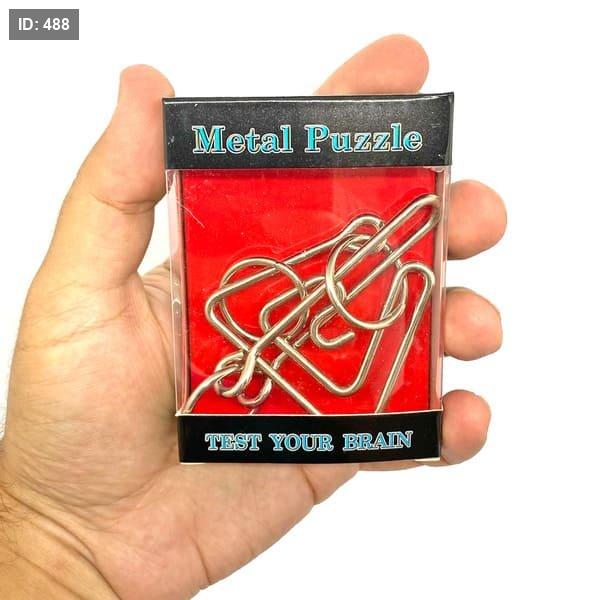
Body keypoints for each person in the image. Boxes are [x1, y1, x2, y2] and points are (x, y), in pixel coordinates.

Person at [0, 35, 506, 599]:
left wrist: (53, 535)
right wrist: (55, 524)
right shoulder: (276, 319)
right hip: (164, 472)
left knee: (405, 309)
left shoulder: (380, 268)